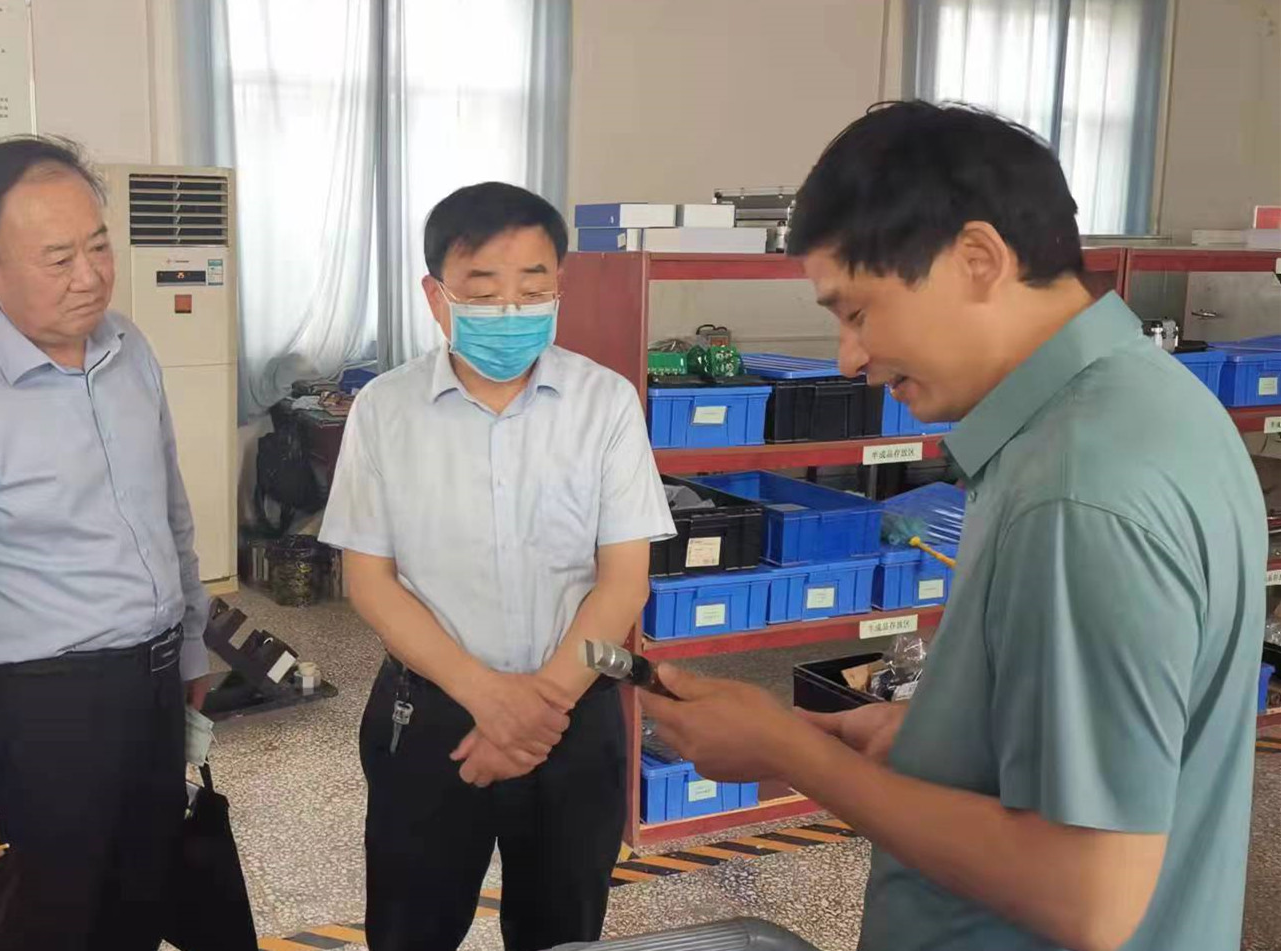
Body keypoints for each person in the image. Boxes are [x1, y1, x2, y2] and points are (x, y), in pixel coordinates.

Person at [642, 102, 1265, 951]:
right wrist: (941, 740)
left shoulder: (1077, 491)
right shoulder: (1145, 406)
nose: (848, 358)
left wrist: (795, 753)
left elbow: (1084, 894)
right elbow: (1135, 743)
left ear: (977, 259)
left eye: (857, 312)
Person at [0, 136, 213, 950]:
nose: (89, 276)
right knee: (43, 923)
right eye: (58, 258)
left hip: (152, 689)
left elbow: (170, 512)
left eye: (99, 246)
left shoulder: (128, 349)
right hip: (37, 714)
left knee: (137, 906)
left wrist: (190, 644)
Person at [319, 181, 675, 951]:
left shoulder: (605, 403)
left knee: (561, 928)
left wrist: (537, 710)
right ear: (436, 295)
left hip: (573, 712)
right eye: (483, 291)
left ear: (560, 288)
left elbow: (624, 581)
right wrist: (489, 699)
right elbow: (369, 580)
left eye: (532, 288)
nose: (510, 310)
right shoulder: (385, 409)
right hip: (431, 712)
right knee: (411, 926)